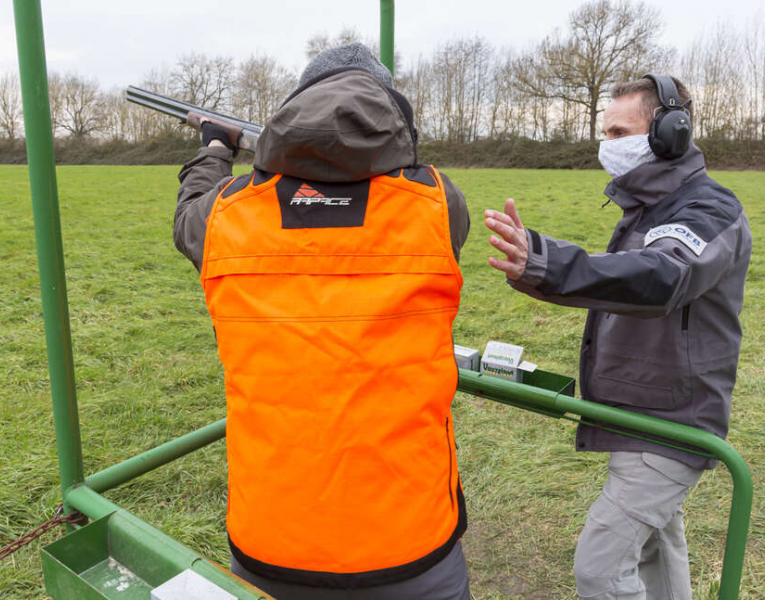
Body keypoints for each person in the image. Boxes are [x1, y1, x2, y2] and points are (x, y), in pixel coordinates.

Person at [174, 43, 471, 600]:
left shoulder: (222, 213)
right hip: (413, 541)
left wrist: (216, 148)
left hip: (270, 540)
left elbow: (186, 217)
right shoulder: (438, 202)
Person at [484, 74, 751, 600]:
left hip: (672, 423)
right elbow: (620, 282)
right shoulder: (647, 210)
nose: (607, 146)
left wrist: (546, 261)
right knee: (657, 549)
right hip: (641, 411)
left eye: (619, 131)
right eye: (604, 133)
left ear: (669, 132)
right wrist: (536, 267)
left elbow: (658, 276)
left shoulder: (709, 210)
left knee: (600, 569)